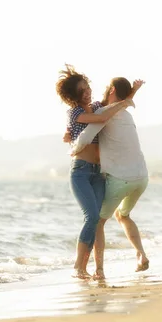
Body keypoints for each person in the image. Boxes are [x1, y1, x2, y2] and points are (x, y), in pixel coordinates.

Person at [55, 65, 136, 279]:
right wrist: (125, 102)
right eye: (82, 89)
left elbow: (114, 104)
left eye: (88, 87)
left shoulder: (98, 106)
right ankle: (78, 267)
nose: (88, 91)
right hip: (80, 172)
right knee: (91, 217)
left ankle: (95, 269)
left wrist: (132, 93)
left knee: (98, 218)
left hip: (99, 173)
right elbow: (103, 118)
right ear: (74, 95)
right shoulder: (76, 113)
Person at [70, 77, 150, 280]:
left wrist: (75, 147)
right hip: (142, 176)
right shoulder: (125, 113)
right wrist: (133, 92)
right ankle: (140, 253)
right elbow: (119, 101)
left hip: (118, 177)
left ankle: (97, 270)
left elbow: (87, 136)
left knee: (97, 222)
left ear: (112, 90)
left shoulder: (103, 113)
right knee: (123, 215)